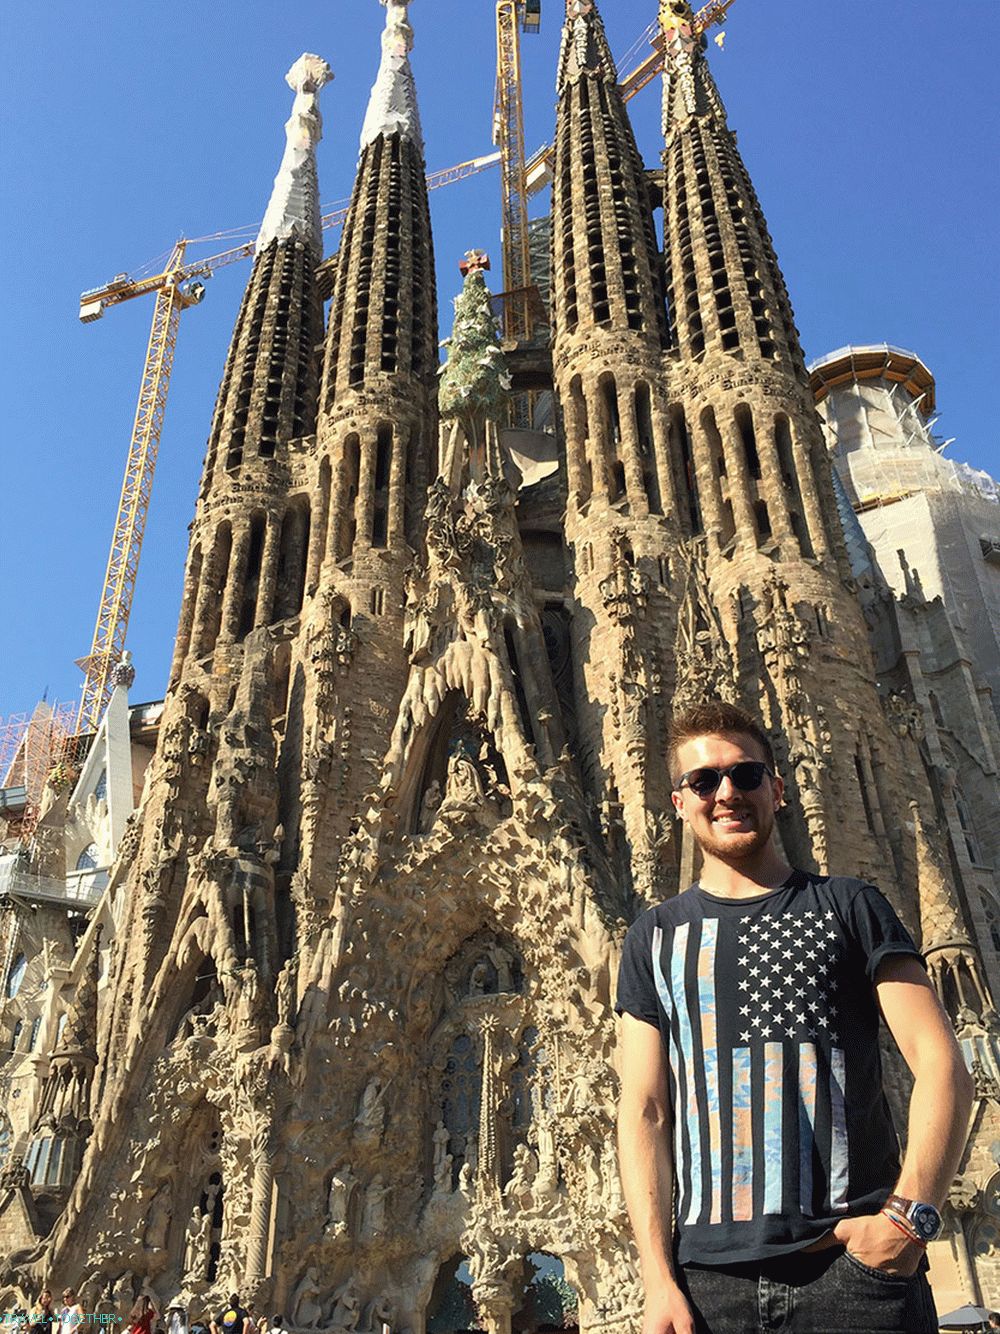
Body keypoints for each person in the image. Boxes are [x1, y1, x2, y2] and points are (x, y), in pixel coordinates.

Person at [616, 699, 974, 1334]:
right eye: (703, 781)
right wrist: (657, 1277)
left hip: (854, 1280)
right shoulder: (653, 937)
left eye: (745, 775)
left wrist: (907, 1221)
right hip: (709, 1291)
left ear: (776, 788)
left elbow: (942, 1062)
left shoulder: (848, 903)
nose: (726, 792)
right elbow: (644, 1109)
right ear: (678, 802)